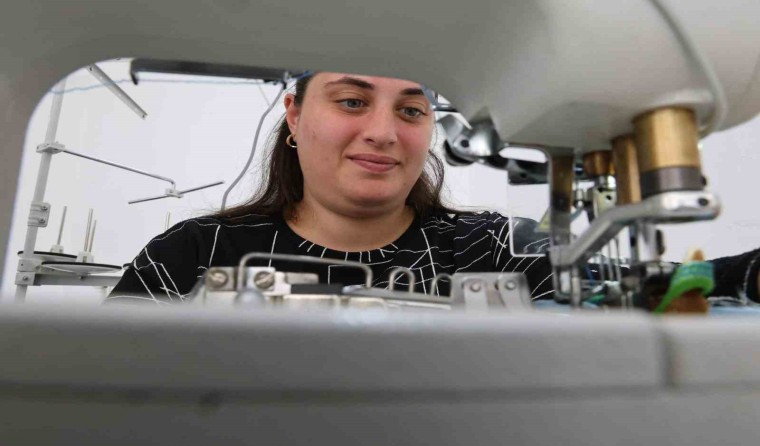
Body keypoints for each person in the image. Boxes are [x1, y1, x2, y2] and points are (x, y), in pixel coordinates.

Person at [107, 72, 760, 306]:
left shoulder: (492, 247)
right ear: (295, 116)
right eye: (352, 100)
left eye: (412, 110)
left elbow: (649, 289)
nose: (383, 132)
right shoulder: (192, 254)